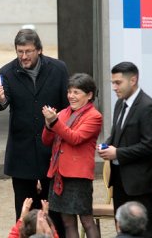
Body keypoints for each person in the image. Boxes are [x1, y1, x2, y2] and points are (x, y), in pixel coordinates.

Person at [0, 29, 68, 235]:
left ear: (39, 50)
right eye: (20, 52)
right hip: (21, 152)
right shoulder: (6, 72)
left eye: (28, 51)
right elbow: (3, 103)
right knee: (24, 210)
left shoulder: (59, 69)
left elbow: (67, 106)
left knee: (53, 211)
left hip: (52, 151)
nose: (23, 56)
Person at [98, 62, 152, 238]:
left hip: (140, 184)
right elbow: (116, 135)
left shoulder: (148, 107)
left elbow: (149, 146)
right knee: (123, 230)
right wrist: (106, 146)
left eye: (118, 83)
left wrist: (117, 153)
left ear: (133, 80)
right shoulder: (120, 104)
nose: (114, 87)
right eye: (112, 82)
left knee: (145, 231)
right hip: (119, 180)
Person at [42, 73, 102, 238]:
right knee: (67, 222)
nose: (71, 96)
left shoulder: (94, 116)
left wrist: (54, 122)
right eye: (69, 91)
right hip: (59, 173)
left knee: (86, 220)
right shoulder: (63, 113)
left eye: (76, 92)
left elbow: (75, 138)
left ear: (89, 95)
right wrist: (48, 124)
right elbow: (47, 140)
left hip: (78, 176)